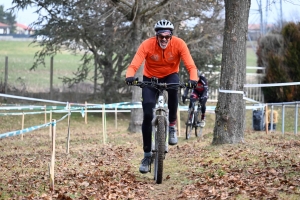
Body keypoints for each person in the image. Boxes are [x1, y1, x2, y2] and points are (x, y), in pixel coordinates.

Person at [125, 19, 198, 174]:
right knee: (147, 114)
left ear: (171, 36)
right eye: (161, 36)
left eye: (167, 36)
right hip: (150, 78)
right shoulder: (147, 45)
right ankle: (146, 156)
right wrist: (130, 76)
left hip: (171, 75)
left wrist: (193, 79)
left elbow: (191, 66)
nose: (164, 39)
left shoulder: (179, 44)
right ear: (156, 36)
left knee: (174, 91)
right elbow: (134, 64)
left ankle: (171, 125)